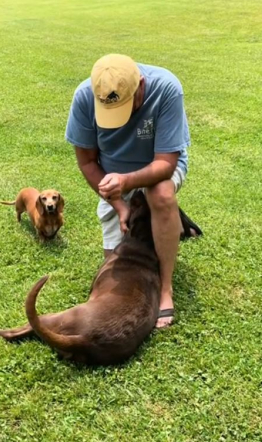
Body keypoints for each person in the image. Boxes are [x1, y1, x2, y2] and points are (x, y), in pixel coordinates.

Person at [65, 53, 201, 329]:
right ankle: (162, 217)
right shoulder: (84, 97)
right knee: (116, 275)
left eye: (126, 106)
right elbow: (88, 162)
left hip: (156, 168)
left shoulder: (167, 89)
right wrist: (119, 204)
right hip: (113, 179)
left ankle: (165, 289)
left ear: (140, 84)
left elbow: (166, 163)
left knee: (159, 194)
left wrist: (127, 184)